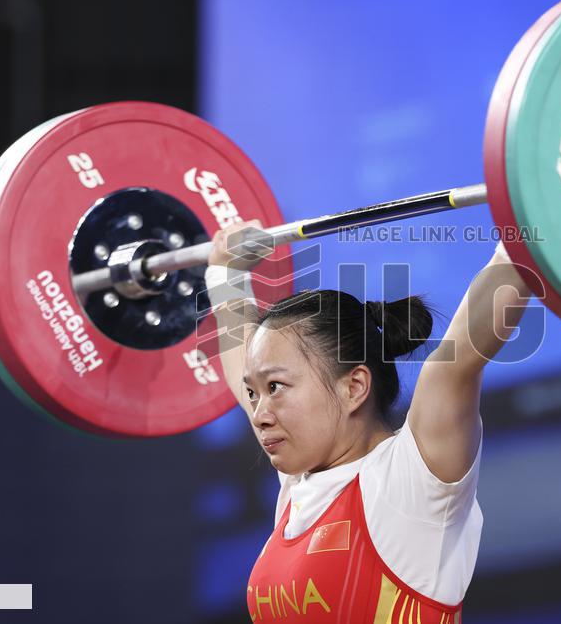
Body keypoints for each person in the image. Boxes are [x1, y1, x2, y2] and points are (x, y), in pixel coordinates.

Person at [206, 220, 531, 623]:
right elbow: (242, 355)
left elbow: (461, 355)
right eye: (255, 394)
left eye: (277, 386)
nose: (259, 413)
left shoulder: (409, 480)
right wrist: (225, 274)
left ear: (354, 386)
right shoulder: (298, 487)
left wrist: (526, 225)